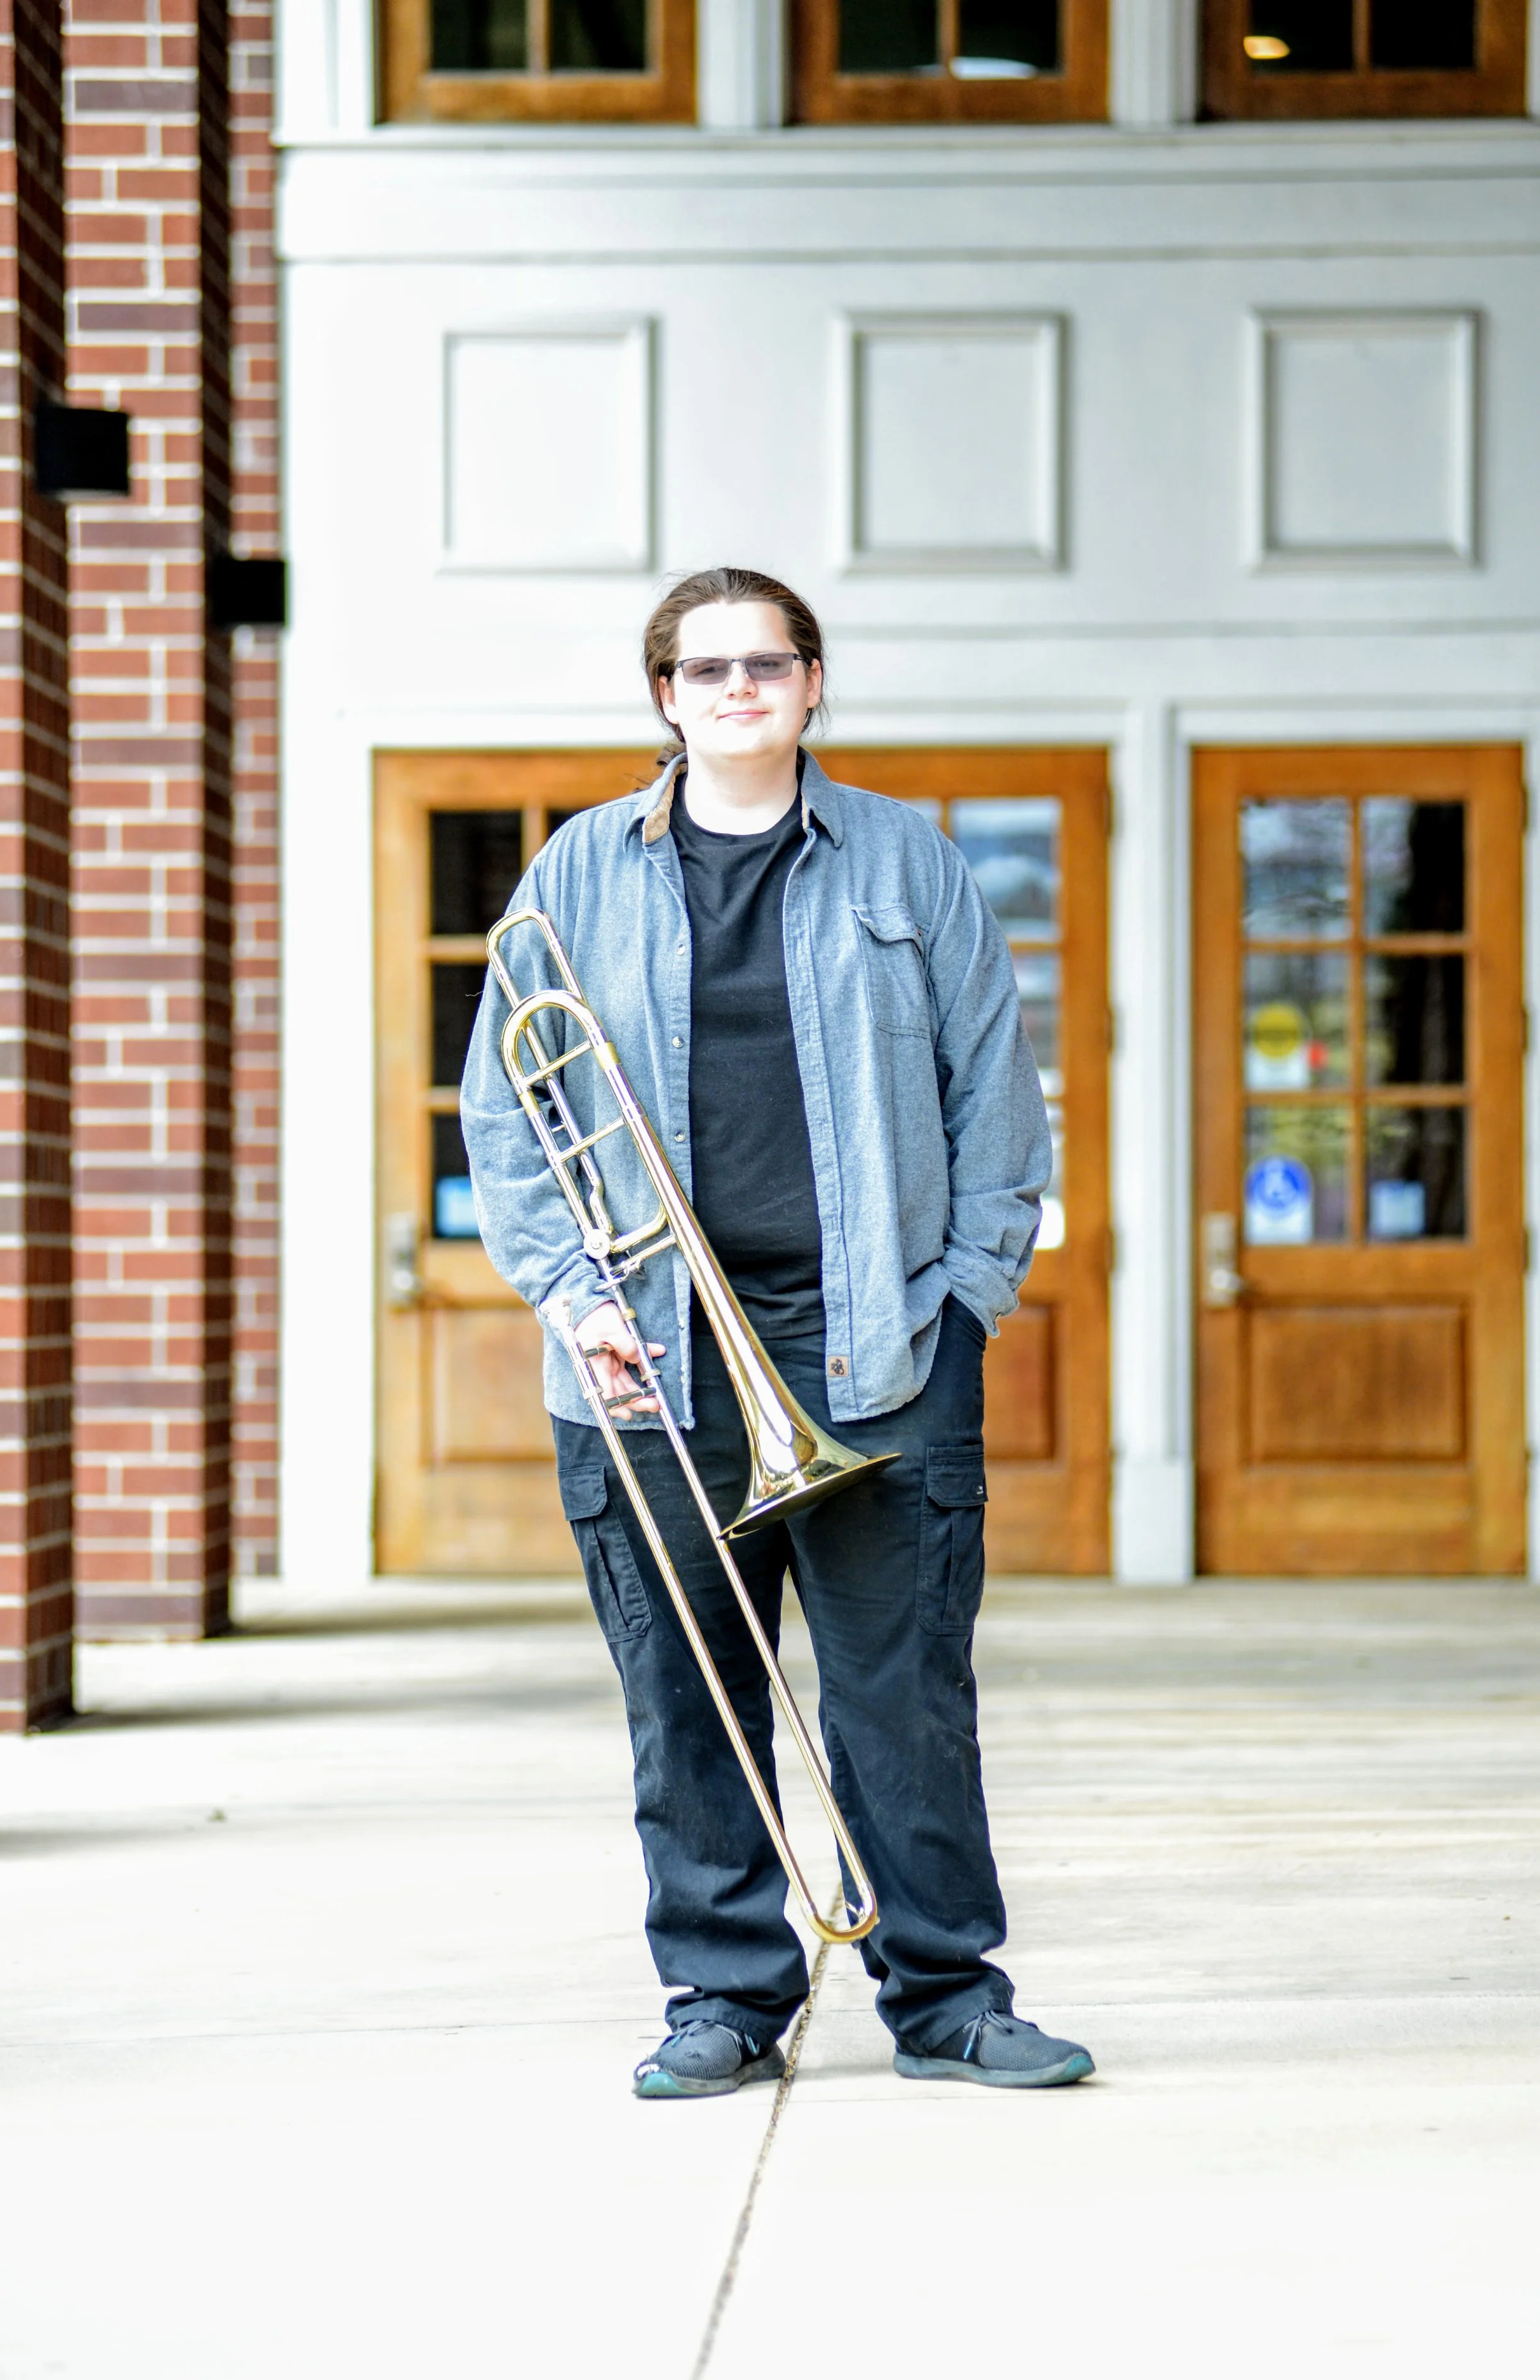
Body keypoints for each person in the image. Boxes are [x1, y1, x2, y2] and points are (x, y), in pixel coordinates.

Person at [462, 565, 1094, 2099]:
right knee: (685, 1702)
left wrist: (965, 1299)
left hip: (880, 1348)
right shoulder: (576, 872)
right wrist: (573, 1297)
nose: (737, 688)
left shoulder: (905, 859)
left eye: (767, 662)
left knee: (903, 1698)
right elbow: (508, 1111)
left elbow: (994, 1096)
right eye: (706, 668)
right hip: (648, 1353)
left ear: (813, 682)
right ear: (663, 697)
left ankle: (946, 1999)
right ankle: (723, 1999)